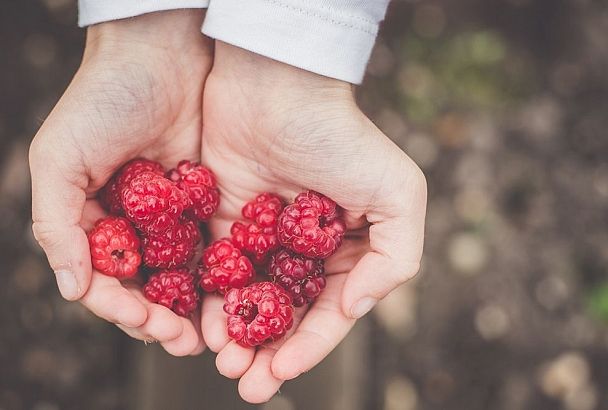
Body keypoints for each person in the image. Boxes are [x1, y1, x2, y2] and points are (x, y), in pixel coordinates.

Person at [29, 1, 427, 403]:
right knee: (173, 329)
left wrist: (293, 57)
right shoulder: (178, 230)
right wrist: (141, 39)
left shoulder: (237, 242)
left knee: (183, 335)